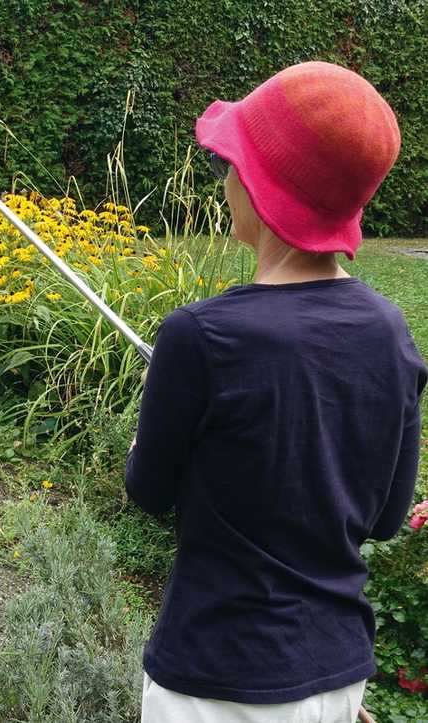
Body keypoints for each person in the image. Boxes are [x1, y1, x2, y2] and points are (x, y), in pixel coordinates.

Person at [124, 60, 428, 723]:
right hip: (337, 681)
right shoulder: (392, 332)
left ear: (262, 189)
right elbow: (383, 516)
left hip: (214, 688)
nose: (227, 176)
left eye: (235, 162)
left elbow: (147, 490)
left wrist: (159, 407)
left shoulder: (197, 338)